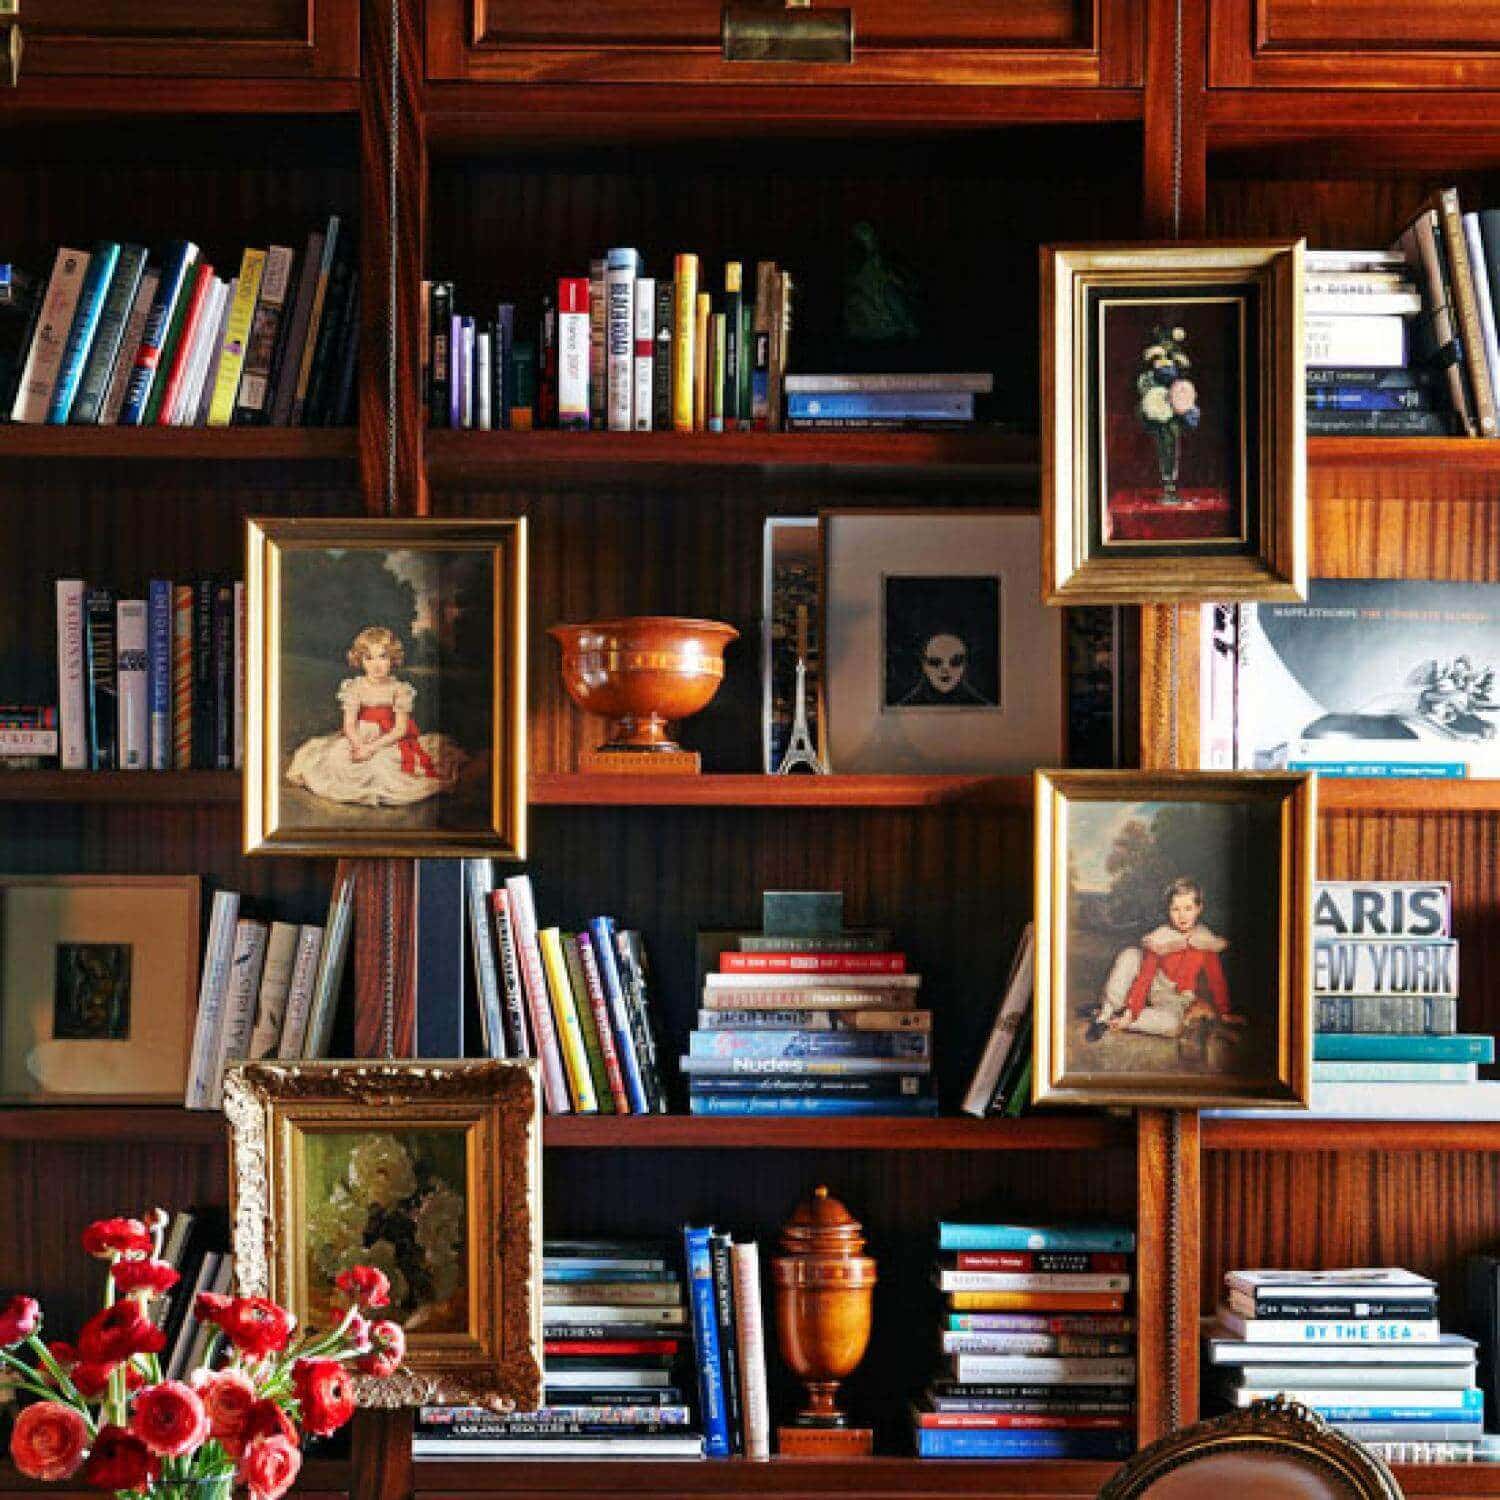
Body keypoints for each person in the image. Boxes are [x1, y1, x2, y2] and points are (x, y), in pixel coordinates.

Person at [286, 626, 465, 807]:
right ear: (360, 660)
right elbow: (349, 725)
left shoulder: (399, 689)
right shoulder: (354, 687)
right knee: (336, 758)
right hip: (358, 736)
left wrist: (371, 749)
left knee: (382, 765)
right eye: (369, 658)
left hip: (388, 739)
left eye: (383, 656)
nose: (376, 664)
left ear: (393, 659)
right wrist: (359, 745)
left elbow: (400, 729)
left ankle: (377, 790)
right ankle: (355, 786)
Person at [1087, 877, 1244, 1040]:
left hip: (1174, 999)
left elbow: (1215, 979)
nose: (1182, 915)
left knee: (1173, 1025)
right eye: (1175, 909)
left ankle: (1121, 1019)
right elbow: (1145, 978)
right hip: (1150, 987)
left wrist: (1224, 1011)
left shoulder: (1205, 939)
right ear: (1168, 910)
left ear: (1199, 908)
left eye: (1188, 908)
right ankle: (1106, 1012)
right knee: (1131, 955)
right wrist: (1132, 1010)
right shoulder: (1160, 937)